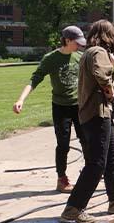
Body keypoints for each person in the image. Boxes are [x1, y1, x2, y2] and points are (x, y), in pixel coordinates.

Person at [60, 20, 114, 223]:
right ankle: (73, 208)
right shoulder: (98, 52)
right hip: (96, 114)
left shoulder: (91, 52)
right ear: (108, 36)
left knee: (112, 158)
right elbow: (104, 78)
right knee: (96, 163)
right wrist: (112, 95)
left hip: (102, 113)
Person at [13, 26, 87, 193]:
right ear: (67, 40)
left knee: (86, 141)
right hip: (60, 107)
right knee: (63, 145)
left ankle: (89, 175)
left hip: (79, 106)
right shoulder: (50, 59)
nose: (80, 46)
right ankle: (62, 180)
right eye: (77, 43)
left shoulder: (81, 57)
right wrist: (21, 99)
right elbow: (35, 79)